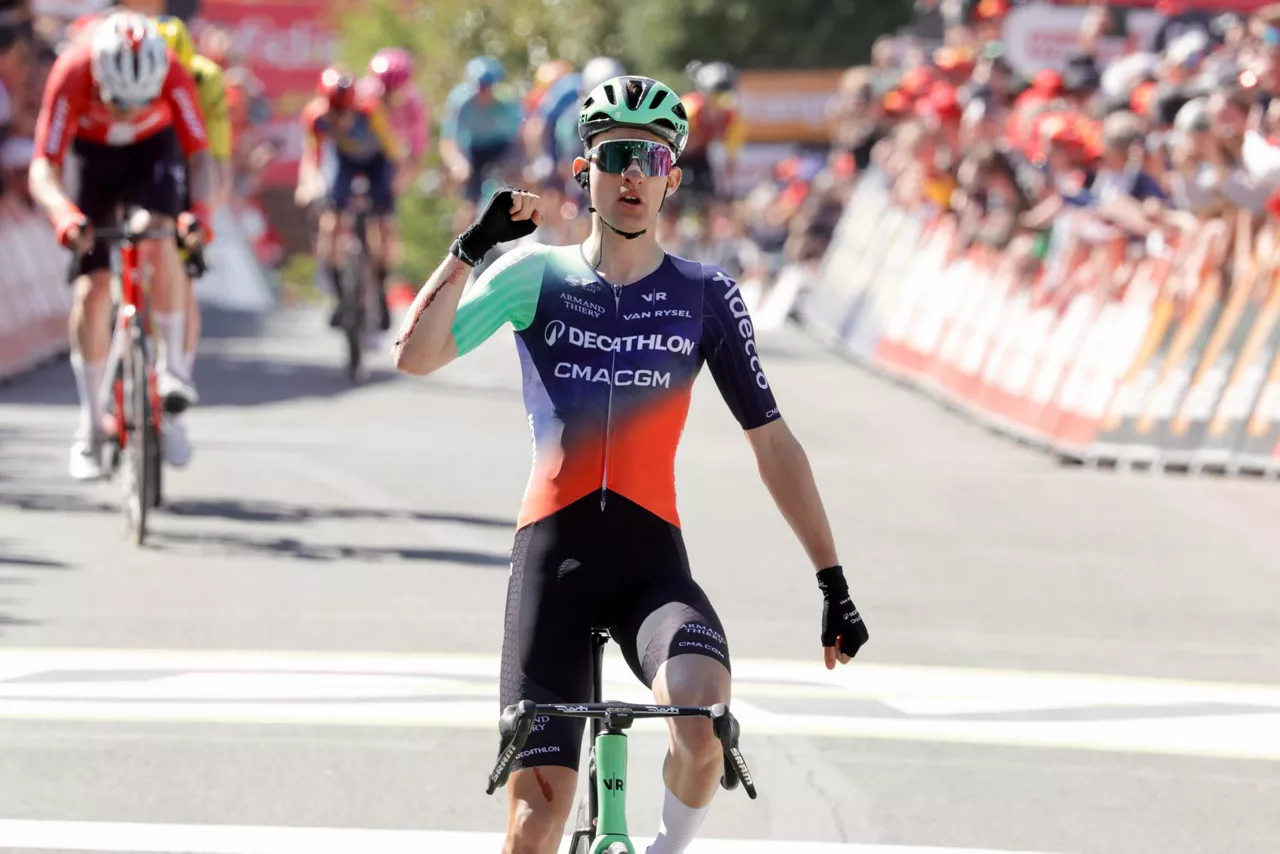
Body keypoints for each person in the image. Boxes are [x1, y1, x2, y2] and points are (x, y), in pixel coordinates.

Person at [392, 74, 869, 854]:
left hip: (651, 569)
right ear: (585, 172)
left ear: (672, 177)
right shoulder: (535, 274)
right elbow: (415, 355)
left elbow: (774, 444)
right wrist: (473, 247)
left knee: (702, 714)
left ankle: (665, 850)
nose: (633, 176)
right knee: (535, 820)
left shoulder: (705, 294)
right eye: (616, 157)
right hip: (554, 564)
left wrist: (833, 583)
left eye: (652, 159)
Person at [29, 9, 214, 480]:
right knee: (92, 291)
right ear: (97, 77)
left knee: (159, 236)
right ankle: (92, 424)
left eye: (140, 101)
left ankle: (173, 375)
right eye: (118, 101)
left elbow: (200, 156)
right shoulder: (71, 71)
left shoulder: (171, 69)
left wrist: (200, 214)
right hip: (94, 161)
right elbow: (43, 167)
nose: (128, 111)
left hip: (152, 153)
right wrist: (64, 216)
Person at [154, 14, 231, 436]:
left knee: (181, 271)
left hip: (191, 159)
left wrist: (203, 216)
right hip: (143, 154)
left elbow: (216, 163)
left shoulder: (208, 80)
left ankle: (178, 373)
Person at [296, 66, 405, 331]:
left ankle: (381, 287)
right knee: (331, 223)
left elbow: (393, 151)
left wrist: (395, 184)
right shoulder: (316, 118)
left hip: (377, 163)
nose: (340, 120)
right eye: (334, 113)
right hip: (344, 162)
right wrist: (308, 184)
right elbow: (312, 156)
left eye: (344, 112)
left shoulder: (369, 112)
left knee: (384, 225)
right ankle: (340, 297)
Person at [438, 55, 523, 233]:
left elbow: (521, 137)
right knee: (470, 201)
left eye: (487, 88)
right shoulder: (460, 101)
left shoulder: (507, 102)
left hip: (501, 146)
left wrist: (519, 166)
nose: (482, 93)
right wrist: (457, 164)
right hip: (474, 148)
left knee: (516, 180)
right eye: (478, 88)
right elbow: (448, 140)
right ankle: (459, 243)